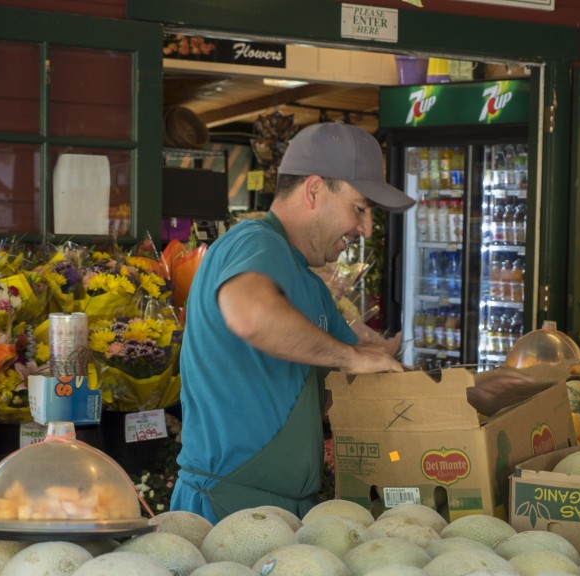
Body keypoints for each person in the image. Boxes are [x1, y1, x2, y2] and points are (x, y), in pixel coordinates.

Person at [170, 120, 412, 523]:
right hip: (228, 506)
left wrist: (379, 360)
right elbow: (249, 314)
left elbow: (341, 380)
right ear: (314, 190)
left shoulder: (309, 284)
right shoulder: (256, 241)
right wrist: (353, 357)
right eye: (360, 208)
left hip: (288, 511)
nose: (366, 228)